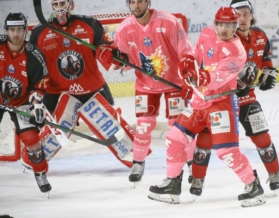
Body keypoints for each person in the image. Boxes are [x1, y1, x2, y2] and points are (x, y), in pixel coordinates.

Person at [147, 6, 266, 208]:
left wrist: (201, 76)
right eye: (221, 24)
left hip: (221, 104)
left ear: (236, 26)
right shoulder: (206, 33)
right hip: (199, 101)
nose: (225, 29)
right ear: (215, 23)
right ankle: (173, 184)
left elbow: (219, 76)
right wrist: (188, 60)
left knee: (226, 151)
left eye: (230, 25)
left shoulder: (237, 51)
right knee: (174, 138)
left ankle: (253, 185)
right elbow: (196, 53)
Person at [189, 0, 279, 197]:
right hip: (220, 100)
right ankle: (197, 180)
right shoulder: (227, 39)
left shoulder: (260, 36)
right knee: (205, 139)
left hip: (247, 99)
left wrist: (268, 74)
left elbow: (265, 61)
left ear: (251, 14)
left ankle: (274, 174)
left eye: (245, 13)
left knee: (262, 136)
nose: (241, 18)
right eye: (237, 14)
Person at [95, 0, 195, 184]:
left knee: (179, 126)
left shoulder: (169, 22)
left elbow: (186, 51)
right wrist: (116, 60)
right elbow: (125, 62)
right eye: (132, 2)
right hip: (145, 84)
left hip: (173, 82)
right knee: (143, 125)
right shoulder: (125, 29)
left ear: (148, 1)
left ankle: (191, 164)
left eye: (140, 1)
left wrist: (188, 73)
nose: (136, 6)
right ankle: (138, 163)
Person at [29, 0, 135, 169]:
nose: (59, 8)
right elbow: (32, 65)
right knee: (40, 126)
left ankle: (136, 157)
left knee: (114, 131)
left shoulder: (90, 24)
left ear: (71, 4)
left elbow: (108, 48)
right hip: (57, 93)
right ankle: (34, 161)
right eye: (55, 4)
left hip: (91, 90)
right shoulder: (39, 32)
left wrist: (111, 55)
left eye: (62, 2)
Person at [0, 12, 51, 194]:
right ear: (6, 30)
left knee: (31, 140)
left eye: (19, 30)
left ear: (25, 31)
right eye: (12, 29)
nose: (15, 34)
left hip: (21, 102)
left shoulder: (34, 54)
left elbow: (41, 81)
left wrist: (37, 103)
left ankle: (40, 173)